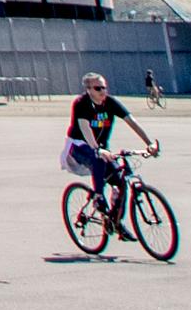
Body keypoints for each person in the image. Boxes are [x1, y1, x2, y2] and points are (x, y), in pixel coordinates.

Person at [65, 73, 158, 219]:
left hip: (102, 149)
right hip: (78, 146)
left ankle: (116, 222)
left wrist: (149, 143)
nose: (103, 91)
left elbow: (131, 122)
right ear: (88, 89)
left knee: (120, 180)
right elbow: (85, 128)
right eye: (98, 88)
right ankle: (98, 197)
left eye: (104, 87)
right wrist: (97, 149)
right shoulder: (81, 103)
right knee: (98, 159)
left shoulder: (110, 102)